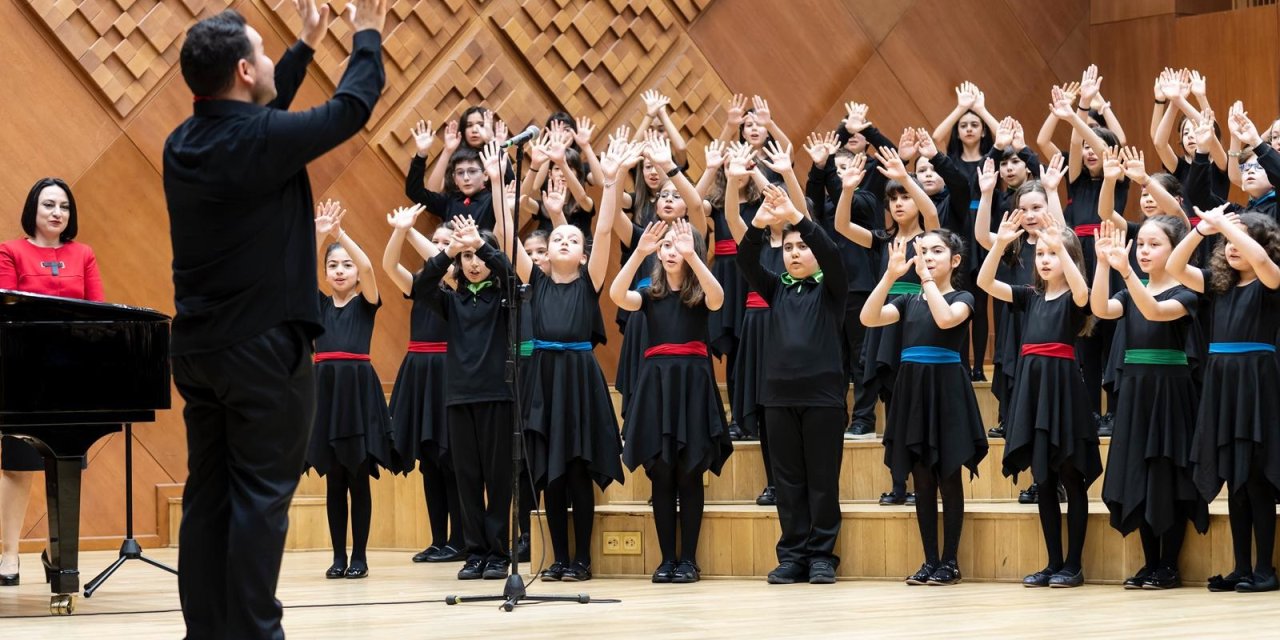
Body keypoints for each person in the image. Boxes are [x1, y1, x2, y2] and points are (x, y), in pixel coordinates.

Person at [163, 1, 386, 636]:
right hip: (262, 352)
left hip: (199, 352)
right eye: (262, 53)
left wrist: (304, 45)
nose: (269, 61)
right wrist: (364, 32)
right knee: (262, 500)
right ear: (241, 69)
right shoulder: (259, 141)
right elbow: (353, 105)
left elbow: (257, 115)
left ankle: (206, 631)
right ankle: (258, 631)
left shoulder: (183, 143)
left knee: (208, 498)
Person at [491, 137, 642, 583]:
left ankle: (583, 560)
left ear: (581, 252)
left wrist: (610, 183)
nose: (563, 241)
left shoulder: (589, 280)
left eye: (572, 238)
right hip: (543, 380)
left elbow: (605, 228)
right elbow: (504, 236)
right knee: (551, 475)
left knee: (577, 470)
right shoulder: (531, 281)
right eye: (557, 236)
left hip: (578, 380)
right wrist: (502, 187)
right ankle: (559, 558)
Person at [978, 215, 1100, 588]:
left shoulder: (1075, 297)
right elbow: (984, 282)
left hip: (1063, 390)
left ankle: (1074, 565)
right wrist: (999, 243)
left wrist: (1062, 243)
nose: (1045, 260)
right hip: (1033, 391)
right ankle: (1053, 562)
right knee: (1043, 480)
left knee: (1070, 476)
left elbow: (1084, 296)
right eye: (1041, 253)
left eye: (1054, 254)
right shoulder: (1029, 296)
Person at [861, 230, 986, 586]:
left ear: (955, 260)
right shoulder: (908, 301)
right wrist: (889, 276)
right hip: (912, 390)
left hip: (946, 389)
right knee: (922, 478)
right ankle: (930, 560)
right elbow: (869, 318)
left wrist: (927, 280)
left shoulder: (964, 296)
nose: (928, 256)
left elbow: (946, 319)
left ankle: (951, 561)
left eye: (936, 251)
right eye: (923, 251)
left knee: (948, 475)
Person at [611, 219, 731, 584]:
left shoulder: (700, 293)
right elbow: (618, 295)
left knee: (689, 473)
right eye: (665, 246)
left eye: (678, 244)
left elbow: (718, 298)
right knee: (661, 475)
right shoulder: (649, 296)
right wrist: (639, 254)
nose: (670, 251)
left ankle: (689, 560)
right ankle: (666, 560)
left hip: (693, 384)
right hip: (656, 386)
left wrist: (695, 257)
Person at [739, 185, 848, 586]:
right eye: (788, 248)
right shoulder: (775, 288)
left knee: (822, 480)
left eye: (802, 246)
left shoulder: (831, 289)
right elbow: (747, 258)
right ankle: (793, 555)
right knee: (787, 483)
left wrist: (798, 218)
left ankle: (821, 556)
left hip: (823, 399)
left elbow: (834, 256)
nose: (796, 253)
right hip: (778, 399)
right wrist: (760, 224)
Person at [1168, 205, 1280, 593]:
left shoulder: (1270, 280)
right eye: (1227, 240)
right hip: (1222, 384)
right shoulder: (1218, 286)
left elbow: (1262, 260)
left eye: (1243, 237)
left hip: (1256, 382)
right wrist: (1202, 230)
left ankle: (1266, 569)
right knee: (1236, 479)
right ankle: (1242, 567)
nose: (1231, 246)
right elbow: (1175, 265)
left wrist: (1231, 230)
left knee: (1257, 478)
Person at [1091, 219, 1208, 589]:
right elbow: (1099, 308)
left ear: (1174, 250)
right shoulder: (1132, 289)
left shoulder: (1187, 291)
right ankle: (1150, 563)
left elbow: (1155, 312)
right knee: (1138, 474)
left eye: (1153, 244)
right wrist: (1102, 265)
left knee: (1166, 473)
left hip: (1170, 392)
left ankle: (1169, 564)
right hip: (1136, 391)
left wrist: (1125, 274)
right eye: (1139, 243)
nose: (1143, 251)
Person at [0, 177, 103, 586]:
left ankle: (56, 551)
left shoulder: (84, 254)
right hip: (24, 372)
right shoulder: (11, 251)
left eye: (63, 206)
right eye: (48, 205)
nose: (57, 212)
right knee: (17, 465)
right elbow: (7, 307)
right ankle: (9, 554)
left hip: (71, 374)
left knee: (67, 464)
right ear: (34, 210)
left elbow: (98, 313)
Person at [418, 212, 516, 581]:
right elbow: (422, 284)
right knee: (468, 478)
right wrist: (450, 251)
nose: (473, 264)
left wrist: (480, 244)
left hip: (498, 396)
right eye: (467, 259)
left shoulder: (505, 297)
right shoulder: (451, 300)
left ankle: (498, 553)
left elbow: (509, 272)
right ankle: (474, 553)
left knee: (498, 477)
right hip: (459, 397)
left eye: (477, 256)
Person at [308, 201, 394, 580]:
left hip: (358, 395)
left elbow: (371, 267)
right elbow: (294, 273)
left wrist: (339, 235)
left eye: (346, 265)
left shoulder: (366, 304)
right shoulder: (318, 306)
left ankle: (359, 556)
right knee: (334, 479)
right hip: (325, 395)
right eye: (333, 265)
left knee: (358, 478)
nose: (340, 271)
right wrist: (318, 235)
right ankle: (338, 556)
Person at [382, 209, 465, 564]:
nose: (440, 249)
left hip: (449, 371)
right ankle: (437, 539)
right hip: (419, 372)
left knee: (452, 459)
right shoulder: (421, 285)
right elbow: (388, 267)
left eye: (448, 244)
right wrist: (401, 232)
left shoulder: (464, 287)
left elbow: (442, 264)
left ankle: (461, 539)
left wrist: (419, 235)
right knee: (429, 459)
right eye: (437, 243)